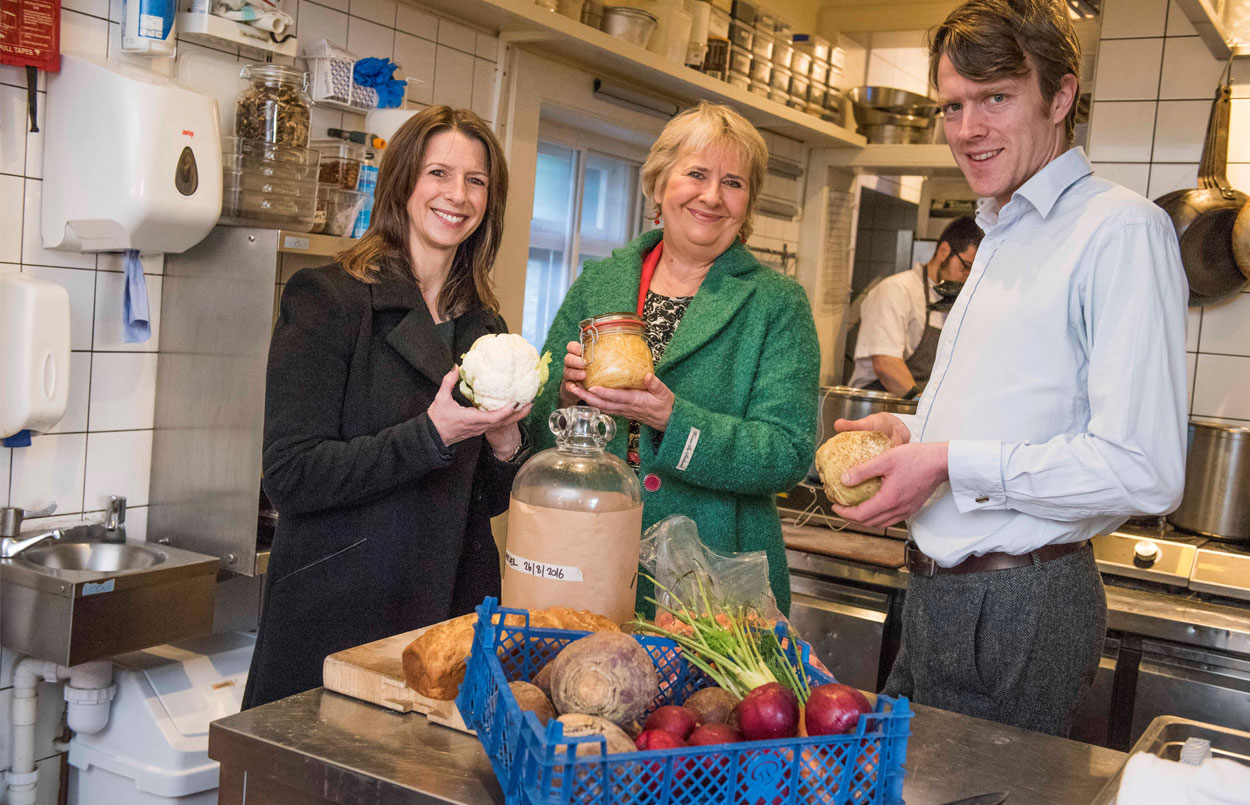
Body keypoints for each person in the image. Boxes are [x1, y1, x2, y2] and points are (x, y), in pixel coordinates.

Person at [832, 0, 1187, 736]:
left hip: (1020, 603)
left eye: (996, 97)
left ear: (1061, 97)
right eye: (953, 106)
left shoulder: (1120, 228)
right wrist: (915, 431)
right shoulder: (999, 229)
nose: (967, 129)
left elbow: (1145, 469)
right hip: (941, 596)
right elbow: (1010, 405)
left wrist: (948, 461)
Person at [242, 107, 530, 709]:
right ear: (402, 183)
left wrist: (506, 447)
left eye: (476, 181)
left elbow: (481, 502)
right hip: (341, 615)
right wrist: (430, 434)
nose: (458, 195)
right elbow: (292, 476)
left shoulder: (484, 325)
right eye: (439, 173)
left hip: (450, 616)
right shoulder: (328, 299)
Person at [527, 102, 820, 616]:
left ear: (748, 205)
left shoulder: (776, 304)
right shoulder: (600, 283)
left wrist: (673, 421)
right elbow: (533, 428)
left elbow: (788, 454)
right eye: (696, 174)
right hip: (589, 554)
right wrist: (564, 397)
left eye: (733, 182)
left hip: (716, 577)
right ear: (660, 184)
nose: (712, 195)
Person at [848, 216, 983, 397]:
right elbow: (885, 364)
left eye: (973, 272)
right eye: (966, 266)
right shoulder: (896, 290)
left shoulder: (957, 303)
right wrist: (920, 406)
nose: (967, 276)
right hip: (879, 405)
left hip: (914, 411)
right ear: (944, 251)